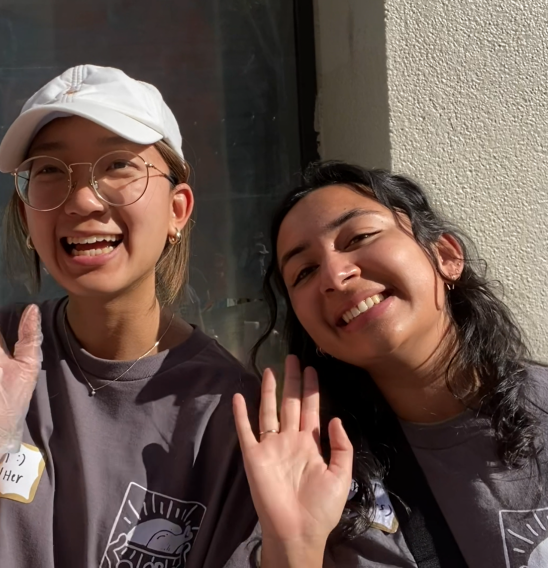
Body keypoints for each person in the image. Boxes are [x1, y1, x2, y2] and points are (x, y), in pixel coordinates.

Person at [0, 64, 261, 568]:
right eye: (50, 170)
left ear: (177, 210)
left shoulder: (225, 408)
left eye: (118, 165)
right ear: (26, 213)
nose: (82, 200)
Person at [234, 161, 548, 567]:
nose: (335, 274)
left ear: (446, 255)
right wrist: (294, 546)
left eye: (359, 236)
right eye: (305, 271)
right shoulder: (316, 474)